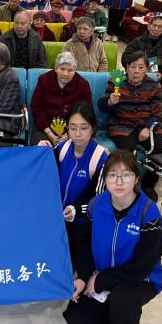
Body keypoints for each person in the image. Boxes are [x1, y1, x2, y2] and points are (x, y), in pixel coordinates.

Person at [63, 149, 162, 324]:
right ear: (105, 179)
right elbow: (83, 243)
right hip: (101, 272)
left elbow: (143, 266)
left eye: (126, 175)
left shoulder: (148, 212)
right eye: (112, 175)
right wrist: (84, 277)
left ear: (136, 178)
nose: (119, 182)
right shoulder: (96, 205)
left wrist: (102, 280)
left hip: (140, 278)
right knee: (76, 318)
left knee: (122, 301)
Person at [38, 104, 109, 272]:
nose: (77, 134)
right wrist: (41, 152)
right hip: (56, 219)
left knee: (71, 268)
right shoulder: (62, 148)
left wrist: (75, 209)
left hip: (80, 225)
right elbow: (43, 177)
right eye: (72, 127)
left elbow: (98, 201)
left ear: (93, 128)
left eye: (84, 128)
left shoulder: (100, 158)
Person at [98, 51, 162, 201]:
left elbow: (158, 112)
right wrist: (109, 102)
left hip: (146, 126)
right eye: (133, 67)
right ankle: (127, 186)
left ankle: (148, 185)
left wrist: (148, 128)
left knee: (160, 148)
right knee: (128, 151)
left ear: (146, 69)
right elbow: (102, 107)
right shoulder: (115, 82)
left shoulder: (154, 86)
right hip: (121, 127)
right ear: (127, 68)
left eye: (141, 67)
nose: (136, 71)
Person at [122, 14, 162, 109]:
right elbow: (125, 57)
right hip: (138, 75)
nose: (156, 29)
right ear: (149, 26)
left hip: (161, 78)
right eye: (154, 25)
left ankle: (160, 112)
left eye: (160, 26)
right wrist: (137, 68)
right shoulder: (137, 42)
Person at [30, 52, 93, 145]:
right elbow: (36, 107)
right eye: (62, 69)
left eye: (70, 70)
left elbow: (87, 112)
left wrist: (69, 134)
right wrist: (50, 134)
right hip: (45, 127)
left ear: (75, 70)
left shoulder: (83, 85)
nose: (65, 74)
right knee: (38, 150)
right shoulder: (44, 79)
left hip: (73, 129)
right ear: (56, 68)